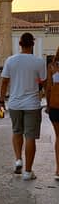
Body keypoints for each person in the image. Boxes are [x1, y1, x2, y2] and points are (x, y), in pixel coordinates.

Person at [0, 32, 46, 181]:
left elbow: (4, 82)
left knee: (17, 131)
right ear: (33, 44)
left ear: (20, 44)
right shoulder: (39, 62)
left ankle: (18, 160)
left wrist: (1, 102)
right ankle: (28, 172)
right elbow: (42, 81)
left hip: (15, 104)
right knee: (30, 136)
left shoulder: (10, 61)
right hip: (32, 104)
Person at [45, 47, 59, 180]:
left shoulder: (52, 67)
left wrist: (48, 105)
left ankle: (58, 170)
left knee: (58, 138)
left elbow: (48, 88)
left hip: (55, 106)